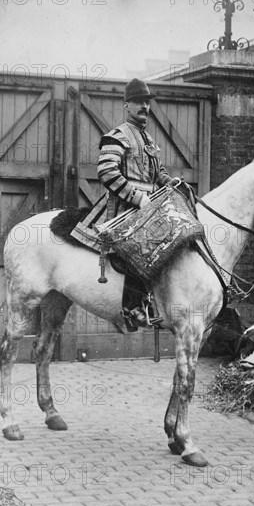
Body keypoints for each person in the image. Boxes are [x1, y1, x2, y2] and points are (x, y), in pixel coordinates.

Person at [97, 78, 174, 329]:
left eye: (147, 102)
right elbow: (107, 172)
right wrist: (136, 197)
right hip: (125, 208)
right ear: (126, 104)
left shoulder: (149, 140)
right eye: (139, 102)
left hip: (149, 208)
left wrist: (169, 182)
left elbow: (157, 173)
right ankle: (131, 307)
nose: (144, 107)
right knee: (141, 245)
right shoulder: (117, 136)